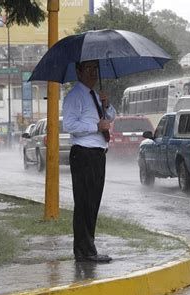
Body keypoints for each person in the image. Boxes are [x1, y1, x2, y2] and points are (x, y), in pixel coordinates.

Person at [63, 60, 116, 263]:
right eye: (88, 69)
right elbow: (69, 124)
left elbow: (109, 118)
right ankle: (84, 250)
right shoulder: (74, 96)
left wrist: (107, 104)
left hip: (97, 154)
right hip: (83, 154)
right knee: (84, 202)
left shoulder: (94, 95)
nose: (93, 73)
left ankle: (88, 247)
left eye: (95, 68)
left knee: (93, 202)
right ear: (78, 71)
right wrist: (96, 126)